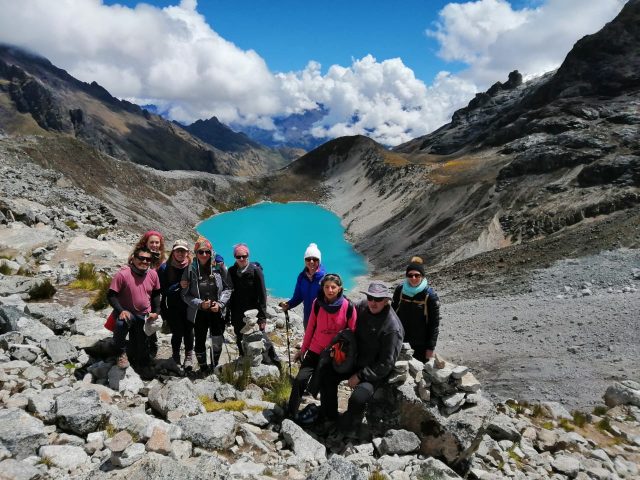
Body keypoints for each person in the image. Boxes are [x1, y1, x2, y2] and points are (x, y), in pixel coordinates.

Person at [318, 281, 404, 435]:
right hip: (354, 359)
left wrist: (360, 376)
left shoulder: (392, 328)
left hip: (373, 371)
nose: (373, 302)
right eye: (370, 297)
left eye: (378, 299)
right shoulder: (363, 306)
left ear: (386, 300)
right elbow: (347, 309)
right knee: (327, 376)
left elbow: (386, 363)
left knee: (358, 398)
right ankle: (329, 417)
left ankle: (348, 429)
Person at [287, 273, 356, 419]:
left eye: (333, 287)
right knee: (300, 379)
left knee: (327, 385)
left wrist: (349, 356)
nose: (330, 290)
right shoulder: (317, 304)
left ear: (340, 289)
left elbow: (353, 333)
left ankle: (328, 416)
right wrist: (303, 350)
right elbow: (311, 327)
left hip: (334, 354)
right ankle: (291, 413)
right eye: (326, 287)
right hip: (315, 349)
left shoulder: (348, 306)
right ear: (322, 288)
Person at [108, 246, 161, 377]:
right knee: (121, 324)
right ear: (133, 259)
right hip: (127, 313)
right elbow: (111, 295)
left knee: (141, 344)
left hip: (144, 315)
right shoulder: (123, 274)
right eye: (141, 258)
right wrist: (121, 310)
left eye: (148, 259)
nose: (144, 261)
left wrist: (156, 311)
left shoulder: (153, 274)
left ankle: (142, 364)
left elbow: (155, 294)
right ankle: (120, 352)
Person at [181, 236, 232, 373]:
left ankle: (214, 365)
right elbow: (185, 294)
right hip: (199, 312)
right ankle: (203, 367)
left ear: (211, 252)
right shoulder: (190, 269)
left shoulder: (219, 267)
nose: (204, 255)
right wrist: (199, 304)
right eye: (201, 252)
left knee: (217, 339)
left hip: (216, 310)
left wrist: (220, 304)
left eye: (207, 252)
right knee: (199, 340)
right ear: (196, 253)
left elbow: (228, 288)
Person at [391, 256, 441, 362]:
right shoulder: (400, 290)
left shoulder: (429, 295)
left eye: (417, 275)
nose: (413, 278)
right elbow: (392, 314)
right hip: (401, 340)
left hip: (420, 344)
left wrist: (430, 348)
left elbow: (434, 324)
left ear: (422, 276)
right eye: (410, 275)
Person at [158, 239, 193, 370]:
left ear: (187, 252)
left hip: (190, 306)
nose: (180, 253)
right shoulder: (164, 268)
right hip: (172, 306)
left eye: (183, 251)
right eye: (178, 250)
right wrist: (178, 285)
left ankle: (189, 356)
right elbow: (162, 290)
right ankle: (176, 355)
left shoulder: (192, 265)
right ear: (173, 251)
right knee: (177, 332)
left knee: (189, 331)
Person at [226, 243, 267, 354]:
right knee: (239, 337)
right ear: (235, 257)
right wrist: (227, 314)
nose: (241, 259)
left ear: (248, 255)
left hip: (254, 313)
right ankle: (243, 358)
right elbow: (229, 293)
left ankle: (264, 360)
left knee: (257, 338)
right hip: (237, 313)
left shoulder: (256, 271)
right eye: (238, 256)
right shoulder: (231, 271)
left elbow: (262, 295)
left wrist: (262, 318)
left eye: (244, 256)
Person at [131, 230, 166, 358]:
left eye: (157, 242)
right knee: (139, 319)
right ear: (146, 242)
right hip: (140, 291)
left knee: (151, 319)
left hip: (154, 294)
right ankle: (139, 346)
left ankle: (152, 343)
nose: (155, 245)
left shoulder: (160, 257)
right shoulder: (138, 255)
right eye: (152, 242)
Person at [279, 243, 326, 329]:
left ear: (319, 261)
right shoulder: (302, 277)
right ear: (305, 261)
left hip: (322, 319)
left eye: (315, 259)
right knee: (308, 340)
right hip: (308, 318)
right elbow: (298, 297)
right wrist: (288, 304)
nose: (311, 262)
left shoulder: (325, 279)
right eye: (308, 259)